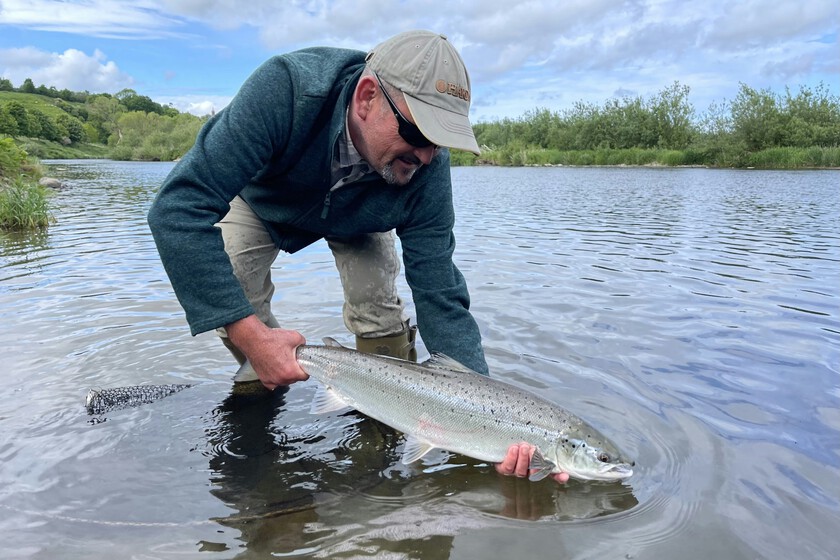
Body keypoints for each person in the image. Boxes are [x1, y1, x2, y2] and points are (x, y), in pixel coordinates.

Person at [147, 30, 568, 484]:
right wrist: (249, 333)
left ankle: (385, 425)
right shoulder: (287, 89)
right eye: (417, 133)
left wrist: (487, 415)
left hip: (361, 215)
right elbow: (178, 209)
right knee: (236, 282)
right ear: (366, 98)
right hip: (264, 201)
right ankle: (260, 385)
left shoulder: (423, 168)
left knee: (378, 309)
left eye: (439, 142)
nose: (425, 156)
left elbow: (439, 289)